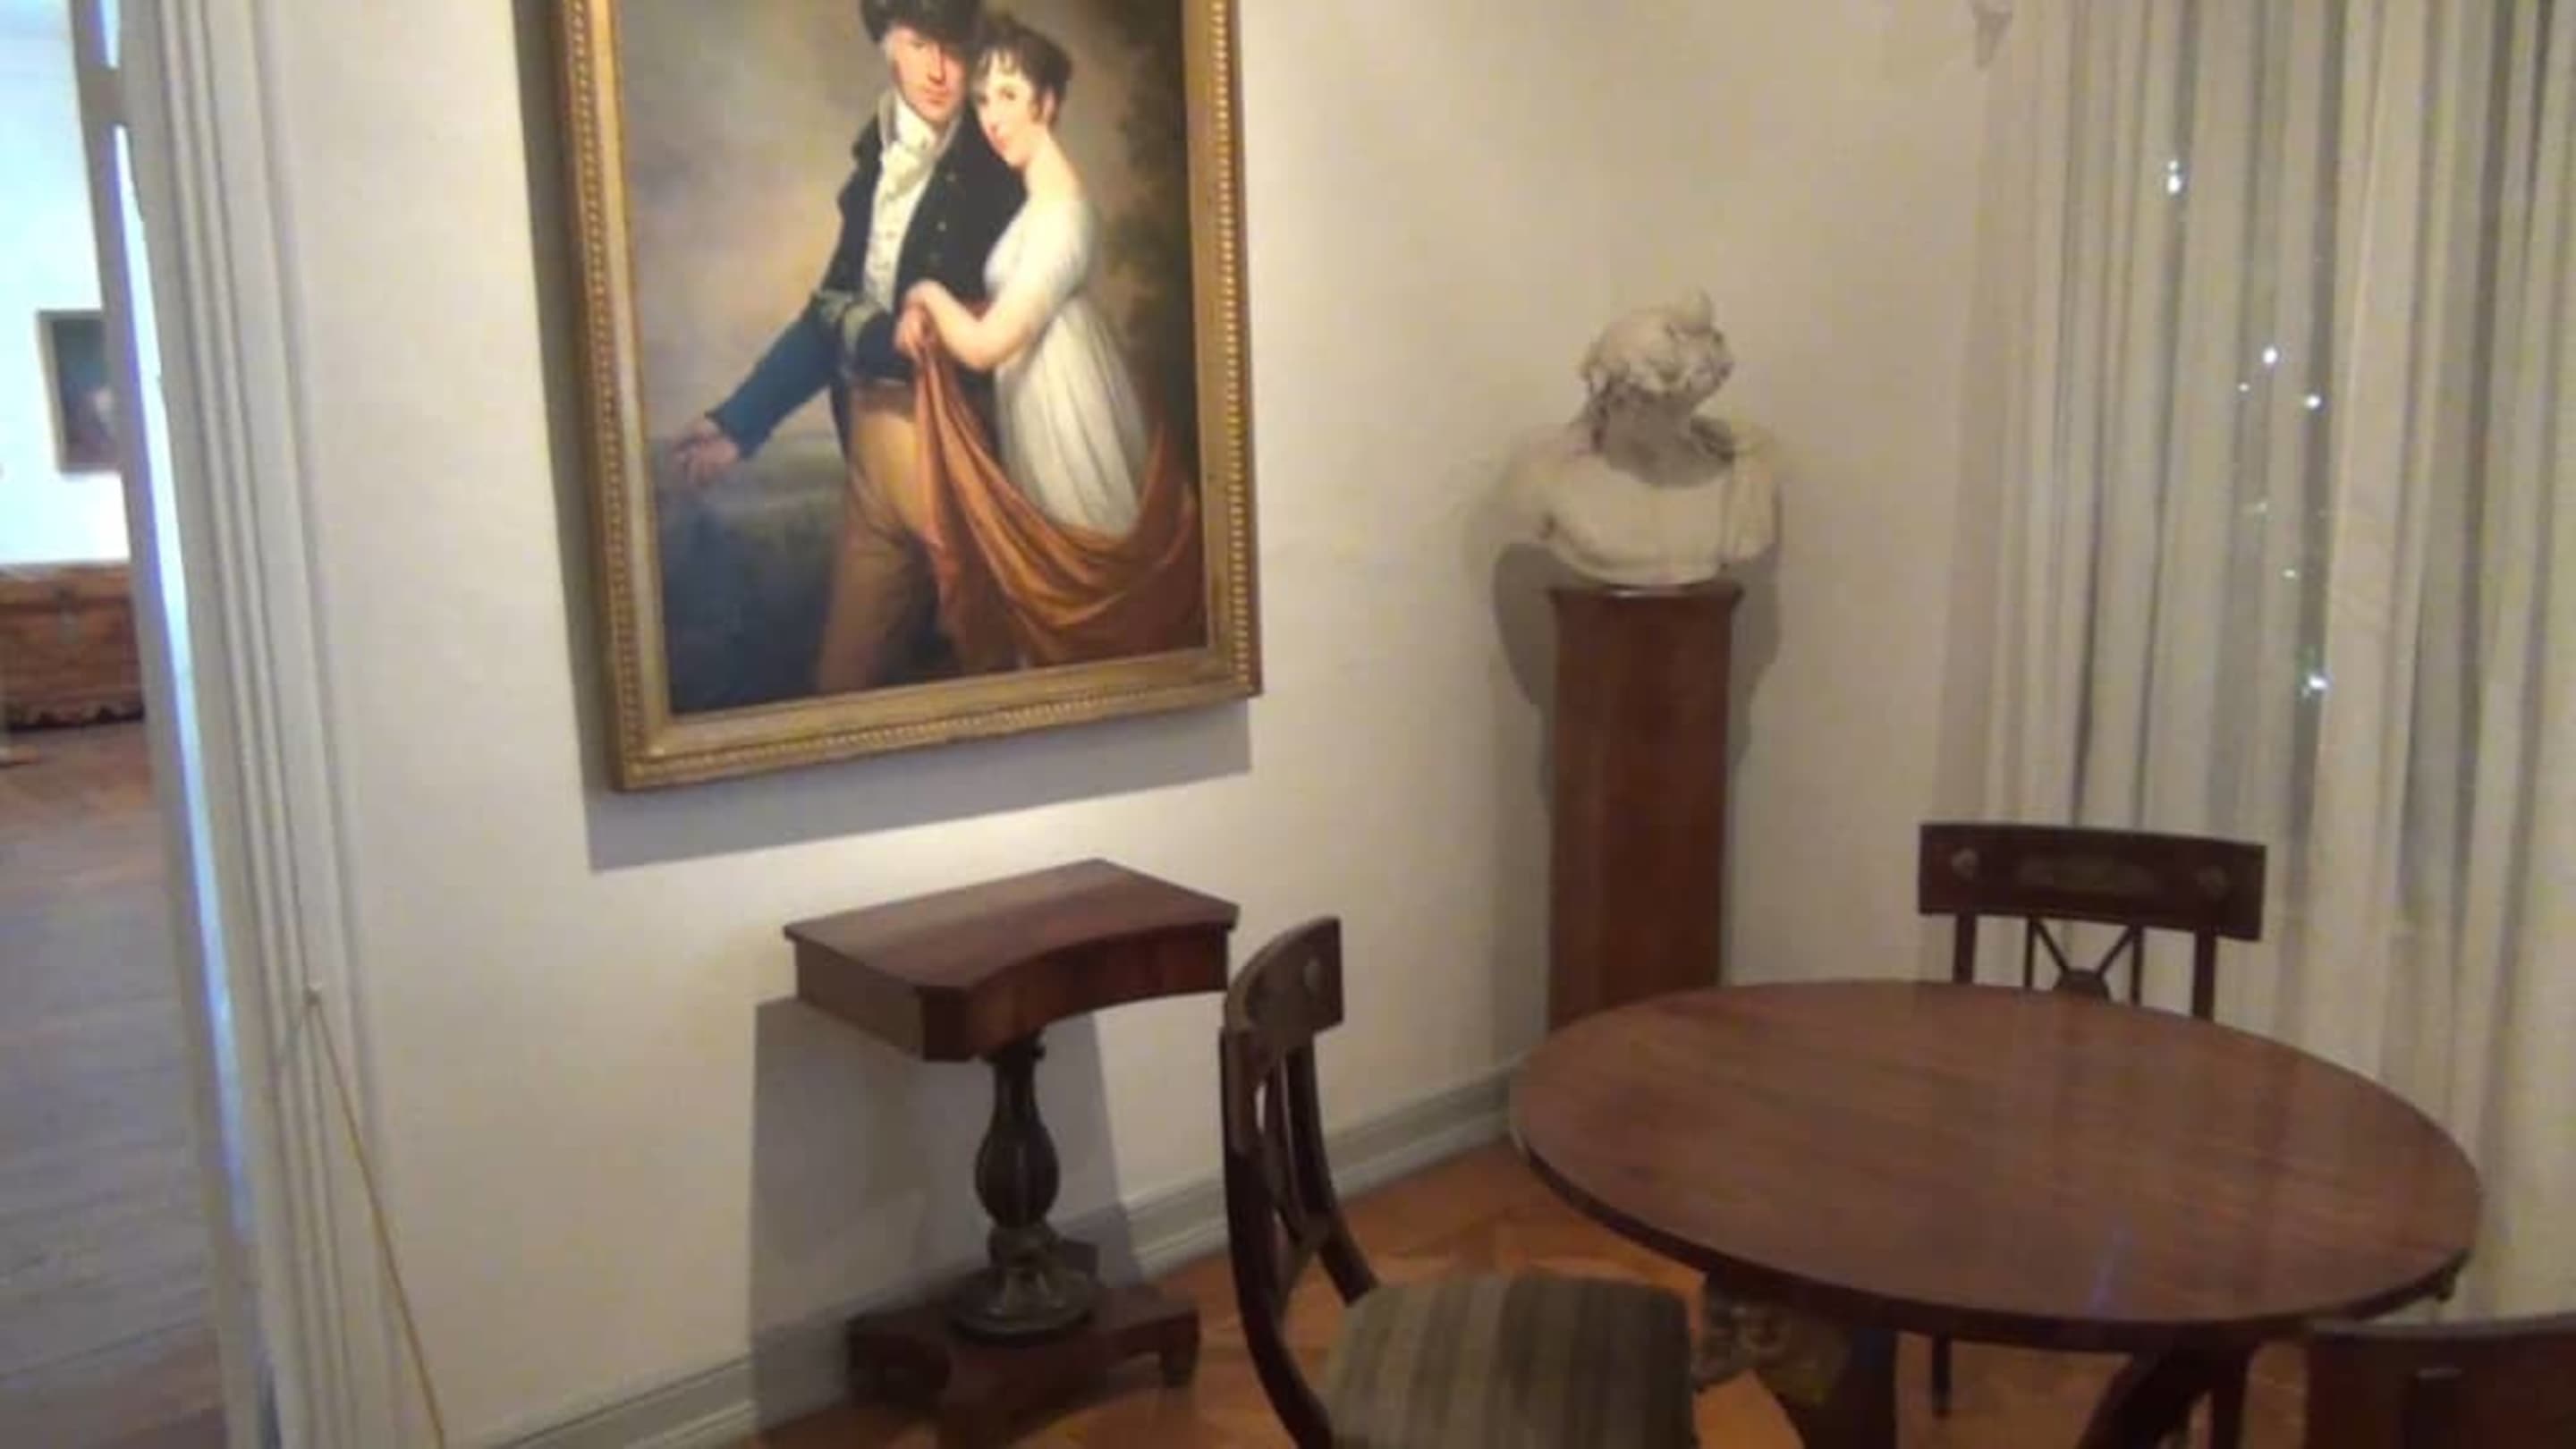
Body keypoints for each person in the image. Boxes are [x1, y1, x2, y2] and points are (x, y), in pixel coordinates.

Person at [671, 0, 1024, 695]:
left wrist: (864, 328)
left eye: (953, 48)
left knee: (990, 676)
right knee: (841, 687)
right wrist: (737, 423)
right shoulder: (877, 157)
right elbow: (827, 310)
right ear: (888, 45)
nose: (938, 70)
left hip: (955, 453)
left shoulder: (996, 169)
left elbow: (973, 331)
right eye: (919, 44)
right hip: (869, 451)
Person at [894, 13, 1206, 673]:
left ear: (1049, 103)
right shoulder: (1035, 207)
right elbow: (1002, 310)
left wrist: (923, 293)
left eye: (1009, 95)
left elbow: (984, 347)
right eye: (984, 99)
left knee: (1087, 601)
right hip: (1037, 401)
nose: (992, 116)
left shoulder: (1063, 215)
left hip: (1069, 412)